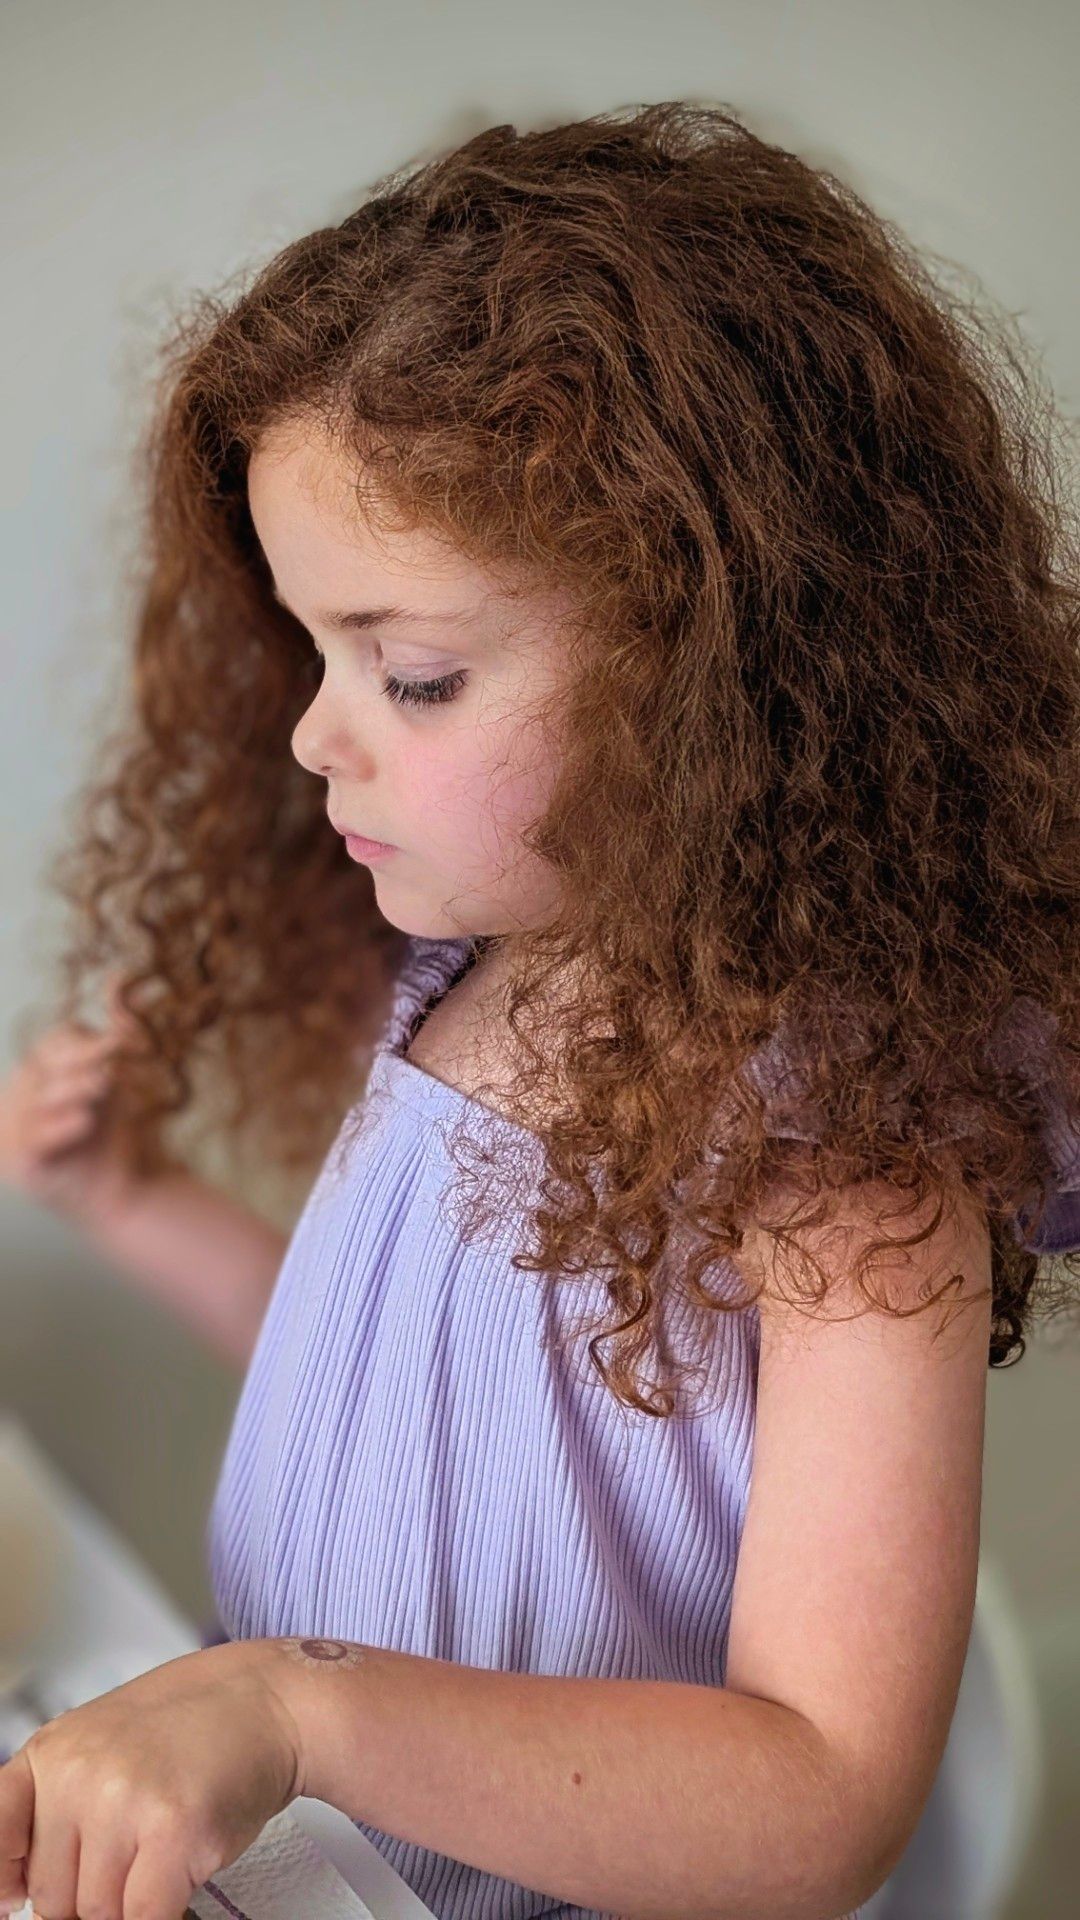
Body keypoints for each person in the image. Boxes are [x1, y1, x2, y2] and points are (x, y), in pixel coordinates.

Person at [2, 99, 1078, 1920]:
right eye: (313, 647)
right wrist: (136, 1204)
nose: (311, 731)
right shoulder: (467, 978)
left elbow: (823, 1796)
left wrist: (291, 1708)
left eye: (412, 674)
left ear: (711, 666)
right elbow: (428, 1422)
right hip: (315, 1861)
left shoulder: (846, 1155)